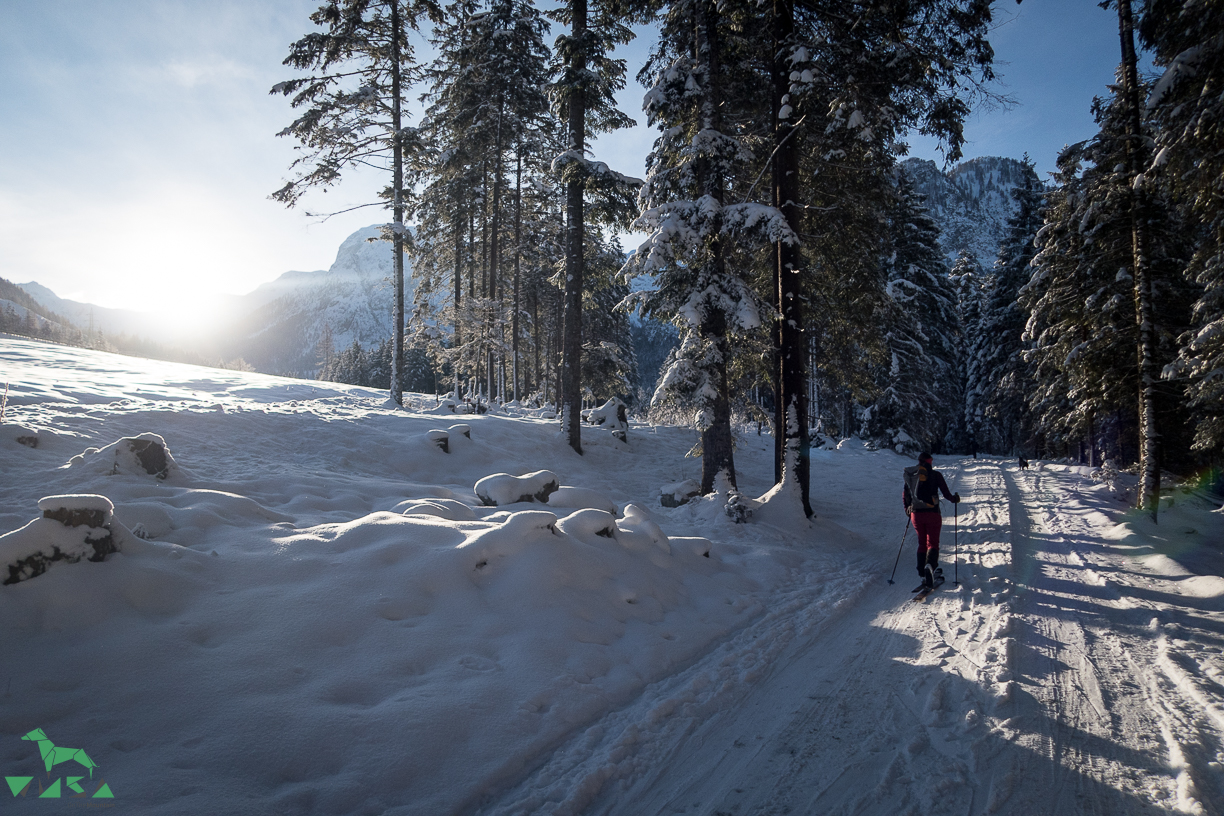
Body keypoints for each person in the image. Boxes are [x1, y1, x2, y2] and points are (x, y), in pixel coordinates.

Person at [903, 452, 960, 587]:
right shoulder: (935, 475)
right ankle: (930, 567)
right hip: (932, 513)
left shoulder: (912, 476)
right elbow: (946, 493)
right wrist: (955, 499)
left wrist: (907, 509)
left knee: (922, 543)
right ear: (930, 461)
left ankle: (922, 573)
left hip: (916, 514)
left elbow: (905, 494)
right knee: (932, 543)